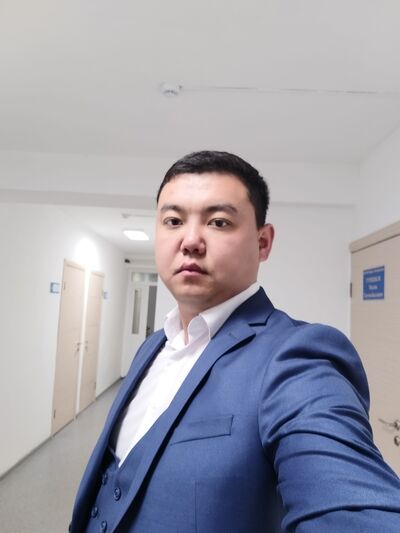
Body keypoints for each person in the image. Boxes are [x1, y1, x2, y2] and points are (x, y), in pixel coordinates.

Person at [70, 151, 400, 533]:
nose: (190, 241)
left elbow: (352, 508)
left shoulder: (297, 358)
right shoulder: (153, 346)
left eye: (219, 222)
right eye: (173, 221)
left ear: (263, 242)